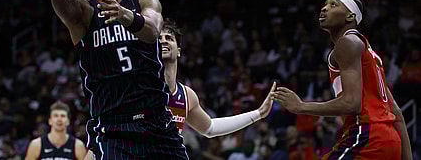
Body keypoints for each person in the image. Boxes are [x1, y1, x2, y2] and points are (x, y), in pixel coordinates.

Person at [16, 0, 188, 159]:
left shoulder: (145, 3)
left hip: (158, 122)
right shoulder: (83, 16)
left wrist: (125, 15)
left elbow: (152, 31)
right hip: (113, 128)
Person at [84, 17, 277, 160]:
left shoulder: (186, 96)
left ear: (179, 50)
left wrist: (258, 114)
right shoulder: (135, 87)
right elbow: (108, 133)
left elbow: (210, 128)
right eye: (159, 38)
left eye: (170, 38)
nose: (164, 41)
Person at [273, 0, 413, 160]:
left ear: (350, 16)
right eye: (325, 4)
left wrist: (301, 106)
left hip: (367, 136)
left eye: (333, 4)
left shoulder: (347, 43)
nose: (324, 9)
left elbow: (351, 103)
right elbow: (396, 113)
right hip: (389, 140)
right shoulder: (370, 54)